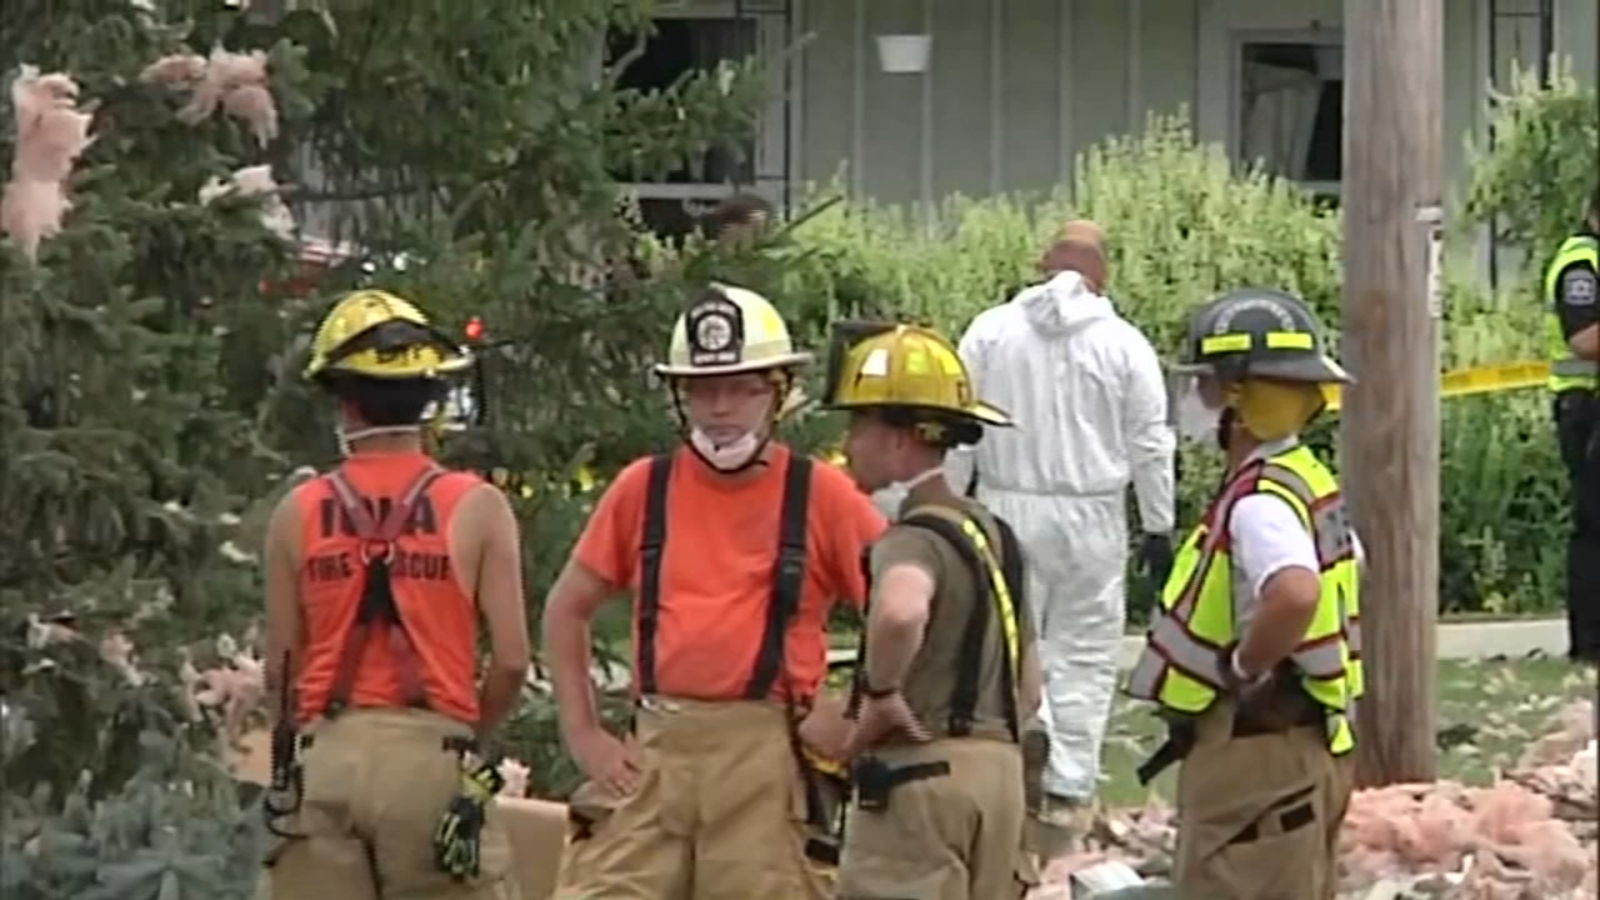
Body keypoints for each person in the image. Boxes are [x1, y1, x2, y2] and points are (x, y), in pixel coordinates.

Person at [541, 283, 887, 900]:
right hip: (655, 752)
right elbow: (567, 609)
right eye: (703, 391)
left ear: (777, 392)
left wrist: (856, 712)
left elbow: (904, 615)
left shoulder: (821, 496)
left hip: (767, 758)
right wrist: (585, 734)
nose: (720, 409)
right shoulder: (642, 489)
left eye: (741, 389)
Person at [261, 289, 530, 900]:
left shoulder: (296, 513)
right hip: (432, 760)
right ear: (429, 400)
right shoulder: (479, 507)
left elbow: (282, 668)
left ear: (344, 403)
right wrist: (469, 740)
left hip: (326, 760)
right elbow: (512, 660)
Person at [1124, 287, 1363, 900]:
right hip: (1307, 745)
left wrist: (1244, 664)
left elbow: (1295, 592)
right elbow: (1351, 568)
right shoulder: (1306, 480)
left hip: (1257, 751)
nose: (1194, 399)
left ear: (1238, 397)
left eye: (1204, 384)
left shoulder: (1260, 503)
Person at [943, 219, 1176, 833]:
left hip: (1005, 504)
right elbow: (1150, 442)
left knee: (1005, 642)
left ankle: (1019, 743)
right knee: (1084, 649)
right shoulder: (1125, 344)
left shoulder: (989, 333)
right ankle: (1068, 785)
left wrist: (942, 504)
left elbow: (958, 425)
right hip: (1091, 513)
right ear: (1101, 274)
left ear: (1042, 264)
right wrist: (1159, 524)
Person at [823, 321, 1044, 900]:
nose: (848, 447)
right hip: (999, 783)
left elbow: (900, 611)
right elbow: (1031, 689)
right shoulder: (997, 536)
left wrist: (881, 692)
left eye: (859, 427)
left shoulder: (913, 537)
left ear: (899, 440)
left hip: (921, 780)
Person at [1547, 184, 1600, 666]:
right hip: (1586, 408)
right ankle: (1589, 645)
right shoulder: (1581, 263)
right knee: (1594, 524)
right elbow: (1584, 338)